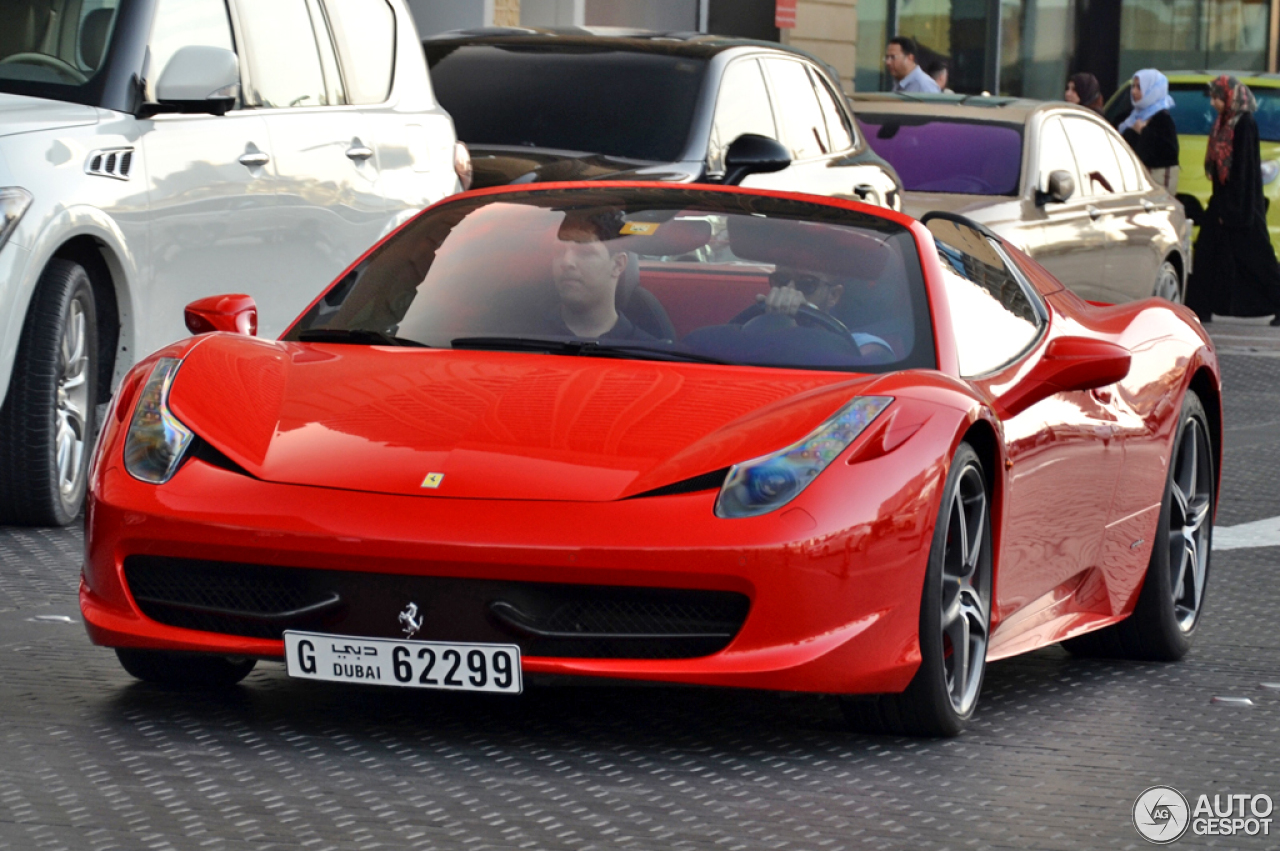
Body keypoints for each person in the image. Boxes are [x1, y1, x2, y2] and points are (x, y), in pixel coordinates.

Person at [1184, 76, 1280, 325]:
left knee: (1259, 261)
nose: (1214, 103)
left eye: (1217, 97)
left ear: (1230, 98)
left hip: (1242, 207)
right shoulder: (1223, 123)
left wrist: (1233, 209)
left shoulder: (1244, 124)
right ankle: (1199, 309)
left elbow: (1245, 171)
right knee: (1206, 254)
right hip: (1223, 202)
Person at [543, 211, 654, 340]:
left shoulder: (649, 353)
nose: (566, 262)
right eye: (559, 251)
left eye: (584, 252)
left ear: (618, 265)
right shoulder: (522, 337)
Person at [758, 267, 895, 359]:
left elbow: (870, 362)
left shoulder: (859, 344)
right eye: (781, 281)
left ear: (833, 295)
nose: (789, 290)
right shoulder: (754, 334)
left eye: (807, 283)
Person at [1118, 69, 1180, 192]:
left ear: (1152, 90)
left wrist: (1144, 131)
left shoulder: (1162, 118)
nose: (1134, 91)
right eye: (1133, 86)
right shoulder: (1134, 115)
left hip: (1156, 182)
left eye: (1139, 87)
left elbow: (1169, 151)